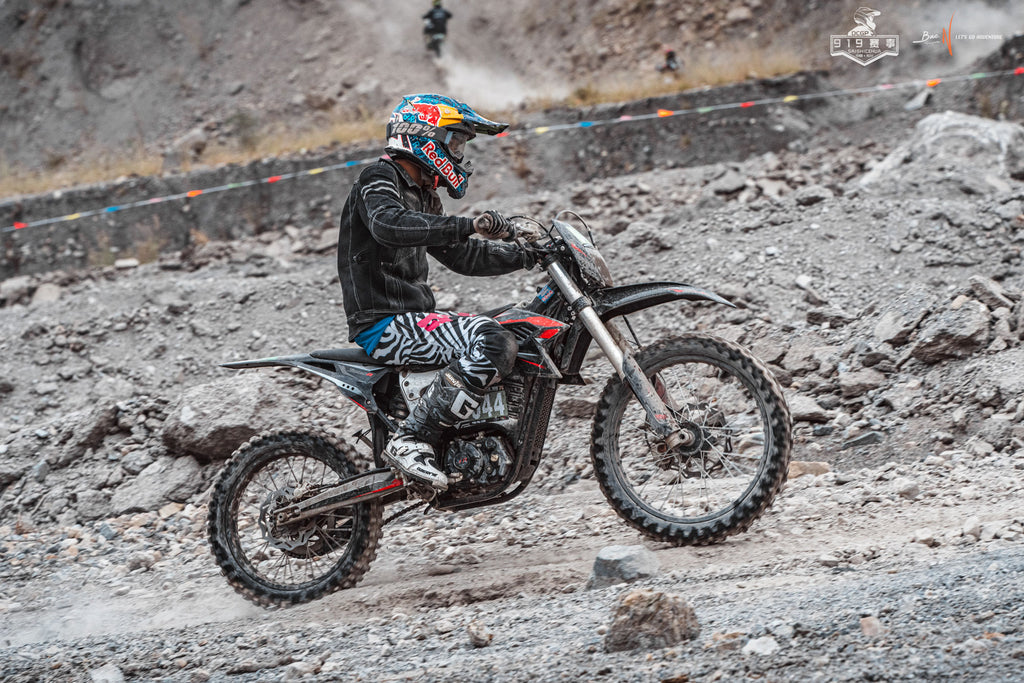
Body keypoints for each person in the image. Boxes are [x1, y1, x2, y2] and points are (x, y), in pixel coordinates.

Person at [336, 94, 531, 491]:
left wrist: (528, 254)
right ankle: (412, 438)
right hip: (383, 323)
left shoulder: (425, 195)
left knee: (515, 325)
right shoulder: (379, 178)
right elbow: (388, 224)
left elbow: (463, 256)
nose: (459, 154)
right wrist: (469, 225)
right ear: (426, 136)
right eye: (455, 142)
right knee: (492, 340)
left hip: (412, 319)